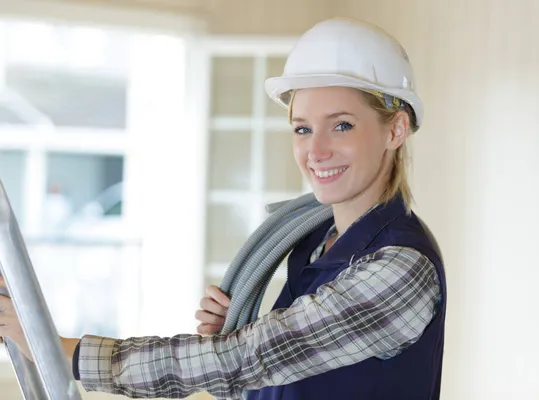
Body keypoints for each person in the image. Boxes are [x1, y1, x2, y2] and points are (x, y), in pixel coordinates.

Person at [0, 17, 446, 400]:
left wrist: (62, 349)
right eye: (302, 128)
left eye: (342, 125)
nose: (316, 150)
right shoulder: (319, 243)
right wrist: (230, 336)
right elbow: (269, 371)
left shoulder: (400, 268)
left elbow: (250, 358)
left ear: (396, 129)